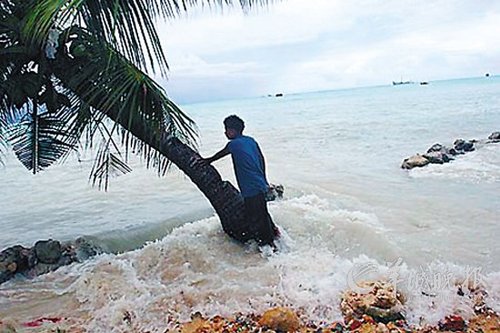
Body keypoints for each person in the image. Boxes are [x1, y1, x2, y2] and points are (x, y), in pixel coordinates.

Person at [199, 115, 279, 247]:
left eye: (226, 129)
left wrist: (207, 161)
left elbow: (220, 154)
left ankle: (269, 246)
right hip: (260, 183)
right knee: (261, 211)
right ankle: (275, 233)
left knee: (256, 217)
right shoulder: (251, 141)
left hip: (250, 188)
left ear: (232, 131)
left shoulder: (233, 144)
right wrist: (264, 178)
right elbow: (261, 158)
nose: (225, 132)